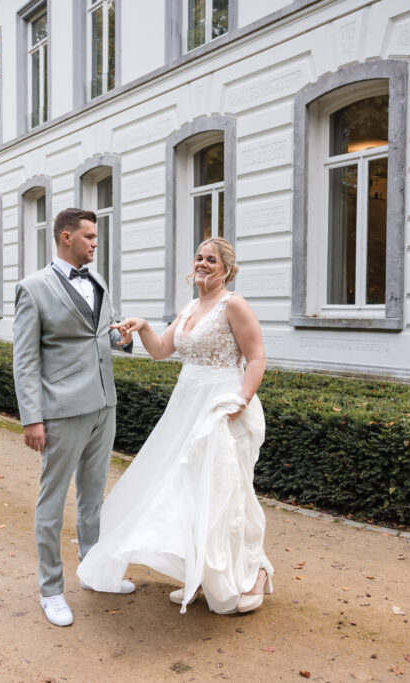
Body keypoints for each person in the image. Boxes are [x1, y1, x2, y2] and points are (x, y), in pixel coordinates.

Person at [77, 237, 274, 615]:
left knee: (224, 492)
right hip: (186, 407)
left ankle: (253, 574)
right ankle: (202, 573)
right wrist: (144, 326)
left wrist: (242, 400)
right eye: (199, 257)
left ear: (227, 268)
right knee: (186, 491)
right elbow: (163, 349)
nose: (202, 264)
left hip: (222, 408)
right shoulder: (190, 307)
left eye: (211, 260)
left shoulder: (234, 305)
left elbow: (256, 357)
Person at [12, 207, 135, 628]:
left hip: (104, 404)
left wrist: (122, 337)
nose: (95, 243)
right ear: (66, 237)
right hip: (61, 411)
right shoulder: (32, 289)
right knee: (52, 501)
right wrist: (32, 418)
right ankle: (51, 591)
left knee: (93, 498)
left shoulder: (97, 280)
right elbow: (25, 361)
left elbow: (100, 334)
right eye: (89, 237)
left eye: (96, 237)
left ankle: (94, 571)